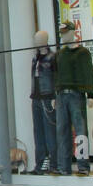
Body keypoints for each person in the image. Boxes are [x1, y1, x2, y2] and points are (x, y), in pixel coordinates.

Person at [54, 21, 93, 176]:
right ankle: (63, 166)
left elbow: (88, 73)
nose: (63, 36)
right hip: (61, 95)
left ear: (72, 32)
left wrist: (90, 94)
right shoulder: (60, 54)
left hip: (77, 95)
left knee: (80, 130)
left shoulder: (82, 53)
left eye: (65, 32)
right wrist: (55, 94)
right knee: (62, 131)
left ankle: (83, 166)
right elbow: (56, 75)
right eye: (61, 33)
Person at [29, 30, 58, 174]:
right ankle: (39, 165)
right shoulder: (35, 58)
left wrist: (55, 97)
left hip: (47, 98)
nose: (36, 41)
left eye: (39, 39)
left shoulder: (52, 57)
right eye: (35, 39)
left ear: (45, 40)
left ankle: (54, 164)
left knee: (50, 132)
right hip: (36, 98)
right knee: (38, 132)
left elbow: (56, 77)